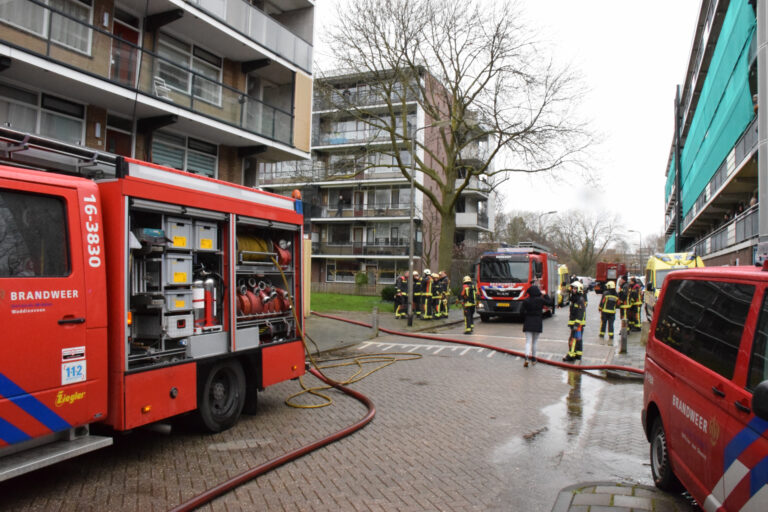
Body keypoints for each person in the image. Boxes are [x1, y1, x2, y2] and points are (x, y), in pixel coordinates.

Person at [522, 283, 553, 367]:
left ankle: (526, 357)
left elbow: (522, 311)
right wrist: (545, 295)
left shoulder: (526, 301)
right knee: (535, 341)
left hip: (528, 322)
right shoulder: (540, 300)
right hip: (537, 322)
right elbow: (550, 303)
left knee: (528, 341)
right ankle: (534, 358)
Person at [563, 280, 586, 362]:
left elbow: (580, 313)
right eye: (573, 288)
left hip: (578, 325)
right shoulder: (575, 299)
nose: (573, 290)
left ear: (579, 289)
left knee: (573, 339)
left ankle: (571, 355)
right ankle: (578, 355)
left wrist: (576, 324)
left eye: (575, 289)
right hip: (576, 324)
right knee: (578, 339)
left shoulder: (580, 300)